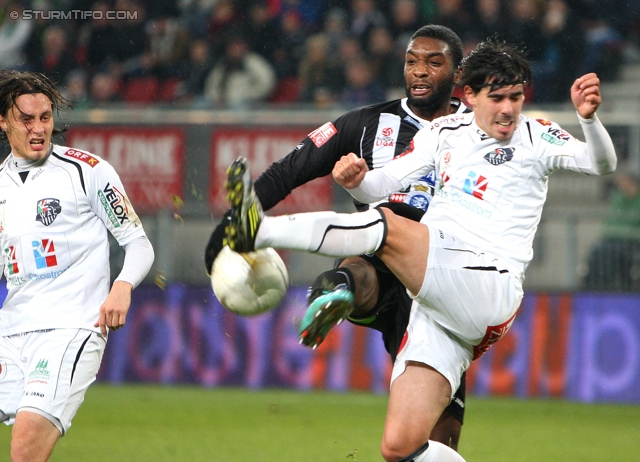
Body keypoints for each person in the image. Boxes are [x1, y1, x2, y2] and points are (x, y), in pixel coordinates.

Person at [222, 40, 617, 461]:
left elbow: (602, 163)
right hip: (437, 305)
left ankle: (259, 231)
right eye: (497, 97)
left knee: (388, 228)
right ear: (469, 96)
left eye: (516, 97)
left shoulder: (536, 135)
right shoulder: (443, 133)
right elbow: (382, 186)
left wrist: (588, 120)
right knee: (400, 447)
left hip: (487, 282)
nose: (508, 109)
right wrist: (356, 181)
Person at [206, 24, 469, 450]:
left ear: (456, 74)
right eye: (412, 62)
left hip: (447, 281)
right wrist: (224, 235)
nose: (419, 71)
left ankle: (339, 289)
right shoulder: (365, 124)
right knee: (362, 262)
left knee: (438, 441)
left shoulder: (476, 129)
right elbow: (289, 171)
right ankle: (334, 292)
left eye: (433, 63)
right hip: (385, 260)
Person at [0, 70, 155, 461]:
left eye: (46, 117)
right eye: (26, 119)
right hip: (11, 329)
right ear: (3, 121)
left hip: (71, 327)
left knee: (25, 449)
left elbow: (137, 243)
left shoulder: (88, 172)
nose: (39, 129)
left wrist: (122, 286)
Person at [583, 171, 640, 291]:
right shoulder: (619, 198)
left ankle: (624, 287)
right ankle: (598, 287)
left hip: (631, 243)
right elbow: (611, 224)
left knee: (617, 252)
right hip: (614, 241)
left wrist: (625, 232)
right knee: (598, 251)